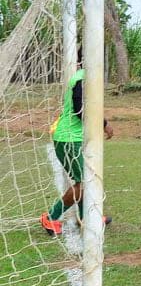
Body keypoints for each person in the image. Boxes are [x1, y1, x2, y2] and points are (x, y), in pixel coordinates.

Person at [41, 48, 114, 235]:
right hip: (68, 140)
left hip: (72, 138)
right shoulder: (82, 78)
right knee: (85, 183)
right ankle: (50, 217)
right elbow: (79, 110)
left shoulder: (85, 77)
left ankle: (87, 219)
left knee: (84, 180)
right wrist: (103, 124)